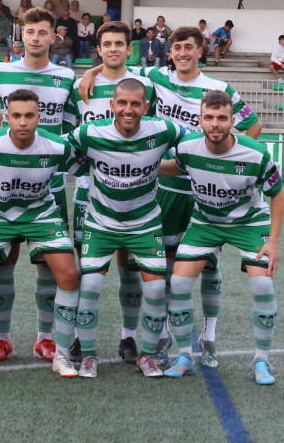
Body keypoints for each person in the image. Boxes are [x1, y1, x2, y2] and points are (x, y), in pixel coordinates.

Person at [78, 26, 262, 369]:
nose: (182, 53)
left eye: (189, 48)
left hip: (203, 190)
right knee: (161, 265)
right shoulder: (155, 77)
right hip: (166, 191)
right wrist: (90, 71)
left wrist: (219, 160)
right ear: (170, 51)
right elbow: (118, 71)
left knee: (208, 262)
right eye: (177, 47)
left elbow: (253, 126)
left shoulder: (219, 88)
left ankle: (209, 335)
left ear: (200, 49)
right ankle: (160, 334)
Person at [160, 90, 284, 385]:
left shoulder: (255, 153)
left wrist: (274, 242)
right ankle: (185, 356)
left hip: (250, 223)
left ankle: (262, 361)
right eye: (209, 118)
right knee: (178, 282)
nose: (215, 124)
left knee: (263, 285)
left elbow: (278, 195)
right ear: (199, 120)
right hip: (205, 223)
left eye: (221, 118)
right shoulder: (188, 148)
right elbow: (171, 168)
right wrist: (138, 163)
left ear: (232, 121)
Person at [0, 89, 81, 377]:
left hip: (41, 213)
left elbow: (87, 166)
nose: (22, 122)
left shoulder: (57, 146)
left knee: (69, 275)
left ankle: (61, 354)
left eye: (29, 115)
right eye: (16, 116)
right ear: (5, 118)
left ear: (39, 117)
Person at [67, 79, 185, 378]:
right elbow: (54, 149)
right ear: (112, 105)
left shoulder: (164, 130)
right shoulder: (90, 132)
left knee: (157, 288)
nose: (128, 109)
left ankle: (147, 355)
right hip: (101, 221)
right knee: (90, 285)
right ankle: (90, 355)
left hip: (144, 222)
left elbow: (200, 145)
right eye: (122, 103)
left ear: (146, 106)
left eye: (135, 104)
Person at [65, 21, 158, 366]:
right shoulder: (80, 87)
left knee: (129, 267)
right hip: (91, 191)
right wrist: (91, 73)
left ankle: (128, 338)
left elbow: (153, 132)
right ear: (99, 49)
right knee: (87, 268)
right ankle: (79, 338)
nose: (114, 48)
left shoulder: (147, 84)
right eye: (107, 44)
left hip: (135, 192)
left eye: (120, 43)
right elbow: (70, 134)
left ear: (129, 48)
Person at [0, 7, 75, 365]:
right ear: (20, 35)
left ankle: (45, 339)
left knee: (47, 265)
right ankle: (2, 339)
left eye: (42, 32)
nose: (35, 38)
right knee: (2, 262)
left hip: (49, 184)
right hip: (5, 184)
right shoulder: (1, 71)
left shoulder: (66, 77)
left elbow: (70, 130)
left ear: (54, 37)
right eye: (29, 31)